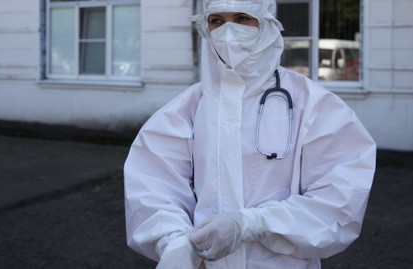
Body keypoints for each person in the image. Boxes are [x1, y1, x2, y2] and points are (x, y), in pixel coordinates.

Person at [124, 0, 376, 268]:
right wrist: (174, 241)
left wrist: (252, 224)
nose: (228, 31)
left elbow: (339, 201)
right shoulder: (185, 110)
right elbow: (153, 185)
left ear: (268, 24)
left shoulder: (316, 107)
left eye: (243, 18)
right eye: (217, 21)